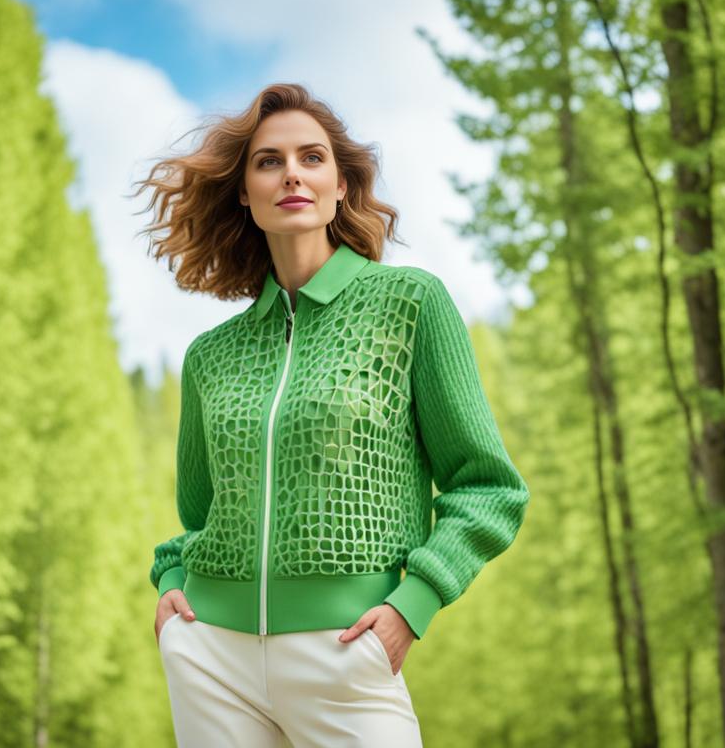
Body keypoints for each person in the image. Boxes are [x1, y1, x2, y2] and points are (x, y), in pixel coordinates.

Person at [132, 83, 530, 747]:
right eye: (268, 161)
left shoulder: (409, 304)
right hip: (211, 655)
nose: (291, 172)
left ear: (340, 184)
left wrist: (415, 603)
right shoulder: (211, 356)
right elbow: (201, 515)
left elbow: (489, 486)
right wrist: (173, 589)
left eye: (311, 157)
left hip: (347, 650)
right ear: (243, 191)